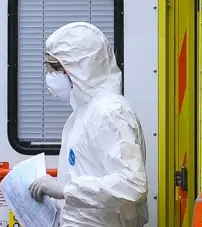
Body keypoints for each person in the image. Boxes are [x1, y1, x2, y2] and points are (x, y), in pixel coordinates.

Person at [28, 22, 149, 227]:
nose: (51, 76)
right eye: (48, 67)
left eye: (56, 67)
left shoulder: (110, 112)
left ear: (81, 67)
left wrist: (65, 189)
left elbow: (132, 184)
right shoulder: (82, 114)